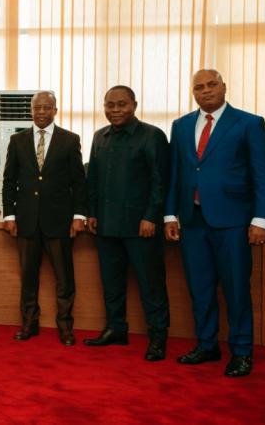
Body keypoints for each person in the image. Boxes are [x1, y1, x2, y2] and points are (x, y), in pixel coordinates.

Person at [164, 69, 265, 378]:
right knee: (200, 289)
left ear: (224, 86)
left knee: (236, 289)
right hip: (193, 221)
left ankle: (241, 352)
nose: (206, 91)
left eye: (212, 84)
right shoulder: (182, 125)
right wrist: (170, 214)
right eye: (199, 87)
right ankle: (207, 345)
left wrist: (261, 218)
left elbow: (263, 173)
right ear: (193, 93)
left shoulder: (249, 123)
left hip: (233, 222)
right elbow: (177, 172)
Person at [84, 86, 171, 361]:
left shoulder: (152, 136)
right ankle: (115, 329)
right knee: (112, 283)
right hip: (107, 225)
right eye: (110, 105)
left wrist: (150, 217)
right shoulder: (100, 137)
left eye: (121, 104)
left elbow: (160, 181)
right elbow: (93, 180)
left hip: (140, 226)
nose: (115, 110)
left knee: (151, 284)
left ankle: (158, 337)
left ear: (134, 105)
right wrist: (92, 213)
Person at [1, 91, 87, 346]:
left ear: (55, 110)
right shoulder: (17, 140)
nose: (41, 112)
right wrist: (9, 214)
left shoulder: (70, 140)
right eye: (37, 107)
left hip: (60, 221)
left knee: (64, 279)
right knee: (28, 277)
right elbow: (8, 181)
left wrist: (78, 215)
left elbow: (78, 182)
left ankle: (65, 326)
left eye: (46, 107)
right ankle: (29, 323)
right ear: (31, 110)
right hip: (26, 220)